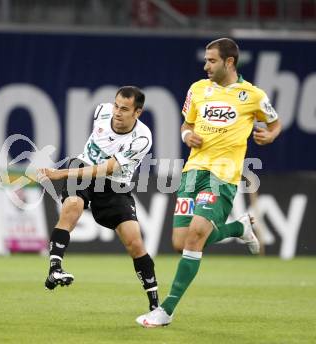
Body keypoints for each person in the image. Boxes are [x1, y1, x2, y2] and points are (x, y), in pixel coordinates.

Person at [136, 38, 282, 327]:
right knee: (181, 242)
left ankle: (166, 310)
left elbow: (274, 122)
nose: (205, 65)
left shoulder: (252, 95)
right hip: (193, 172)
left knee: (195, 236)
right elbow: (186, 124)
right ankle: (239, 228)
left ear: (229, 62)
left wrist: (271, 135)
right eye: (205, 60)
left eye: (211, 60)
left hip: (223, 176)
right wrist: (185, 136)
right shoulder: (197, 89)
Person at [37, 86, 160, 312]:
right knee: (73, 206)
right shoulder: (101, 111)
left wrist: (60, 174)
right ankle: (55, 268)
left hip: (114, 183)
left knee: (134, 241)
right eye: (116, 105)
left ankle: (155, 304)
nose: (117, 112)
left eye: (125, 109)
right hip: (82, 167)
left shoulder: (142, 138)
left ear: (138, 112)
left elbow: (106, 169)